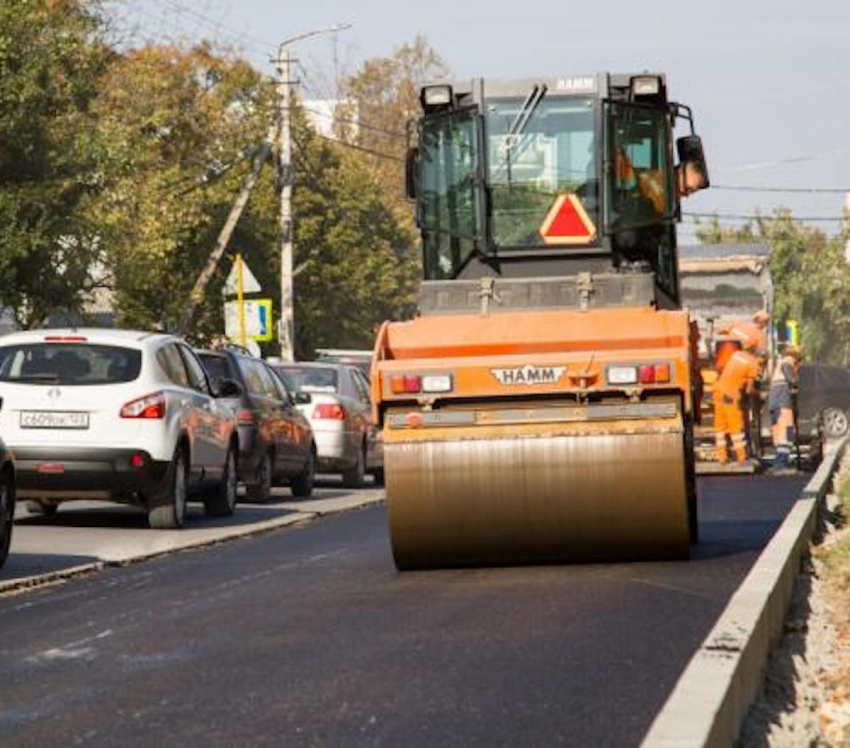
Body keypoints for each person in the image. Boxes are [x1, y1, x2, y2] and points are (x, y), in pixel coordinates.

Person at [714, 347, 763, 464]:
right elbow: (749, 389)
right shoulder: (753, 364)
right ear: (759, 357)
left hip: (718, 390)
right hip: (730, 394)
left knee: (720, 427)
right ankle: (742, 457)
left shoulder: (737, 354)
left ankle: (722, 457)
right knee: (736, 426)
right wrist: (758, 394)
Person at [767, 346, 802, 474]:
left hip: (775, 405)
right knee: (787, 433)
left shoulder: (780, 363)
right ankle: (781, 464)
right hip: (783, 405)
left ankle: (778, 462)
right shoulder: (788, 362)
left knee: (778, 434)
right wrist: (796, 374)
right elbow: (792, 380)